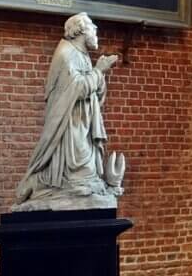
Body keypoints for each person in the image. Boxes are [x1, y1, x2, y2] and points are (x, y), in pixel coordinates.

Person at [14, 13, 121, 209]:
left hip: (83, 121)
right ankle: (37, 183)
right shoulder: (66, 54)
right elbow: (78, 89)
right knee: (80, 170)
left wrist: (99, 78)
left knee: (86, 172)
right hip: (69, 125)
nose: (96, 33)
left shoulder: (81, 54)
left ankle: (50, 184)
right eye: (93, 29)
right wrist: (99, 71)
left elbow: (93, 93)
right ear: (80, 30)